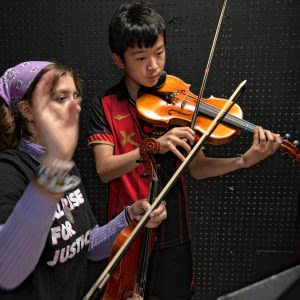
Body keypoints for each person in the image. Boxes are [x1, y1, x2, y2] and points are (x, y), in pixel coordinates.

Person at [87, 1, 282, 299]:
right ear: (119, 59)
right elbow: (104, 169)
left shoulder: (180, 101)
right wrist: (152, 147)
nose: (153, 66)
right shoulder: (105, 105)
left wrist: (244, 160)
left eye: (159, 53)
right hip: (130, 231)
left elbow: (197, 168)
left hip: (174, 232)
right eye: (141, 58)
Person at [0, 60, 167, 299]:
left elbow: (88, 246)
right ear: (27, 110)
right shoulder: (8, 170)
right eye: (61, 98)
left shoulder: (67, 168)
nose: (76, 107)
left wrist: (129, 216)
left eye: (75, 96)